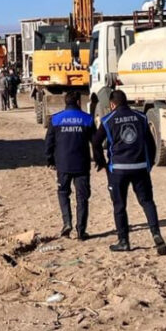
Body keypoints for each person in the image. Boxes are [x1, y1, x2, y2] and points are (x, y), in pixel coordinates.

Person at [91, 89, 166, 255]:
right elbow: (151, 143)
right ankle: (156, 234)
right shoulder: (141, 117)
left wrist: (102, 163)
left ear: (112, 104)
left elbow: (95, 142)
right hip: (140, 167)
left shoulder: (107, 120)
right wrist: (149, 164)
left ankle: (123, 241)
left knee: (120, 206)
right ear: (126, 102)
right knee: (147, 202)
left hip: (118, 169)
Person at [44, 92, 95, 240]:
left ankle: (67, 222)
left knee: (63, 193)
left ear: (65, 102)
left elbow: (49, 143)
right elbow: (95, 142)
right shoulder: (87, 119)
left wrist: (50, 160)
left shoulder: (56, 119)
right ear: (79, 102)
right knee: (82, 197)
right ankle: (81, 230)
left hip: (63, 165)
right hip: (82, 165)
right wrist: (100, 160)